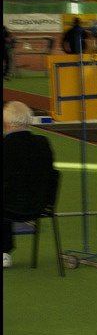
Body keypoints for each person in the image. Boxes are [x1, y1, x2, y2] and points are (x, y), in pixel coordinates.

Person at [3, 101, 55, 268]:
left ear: (7, 123)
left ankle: (4, 251)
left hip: (8, 206)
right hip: (40, 205)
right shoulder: (43, 143)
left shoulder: (5, 146)